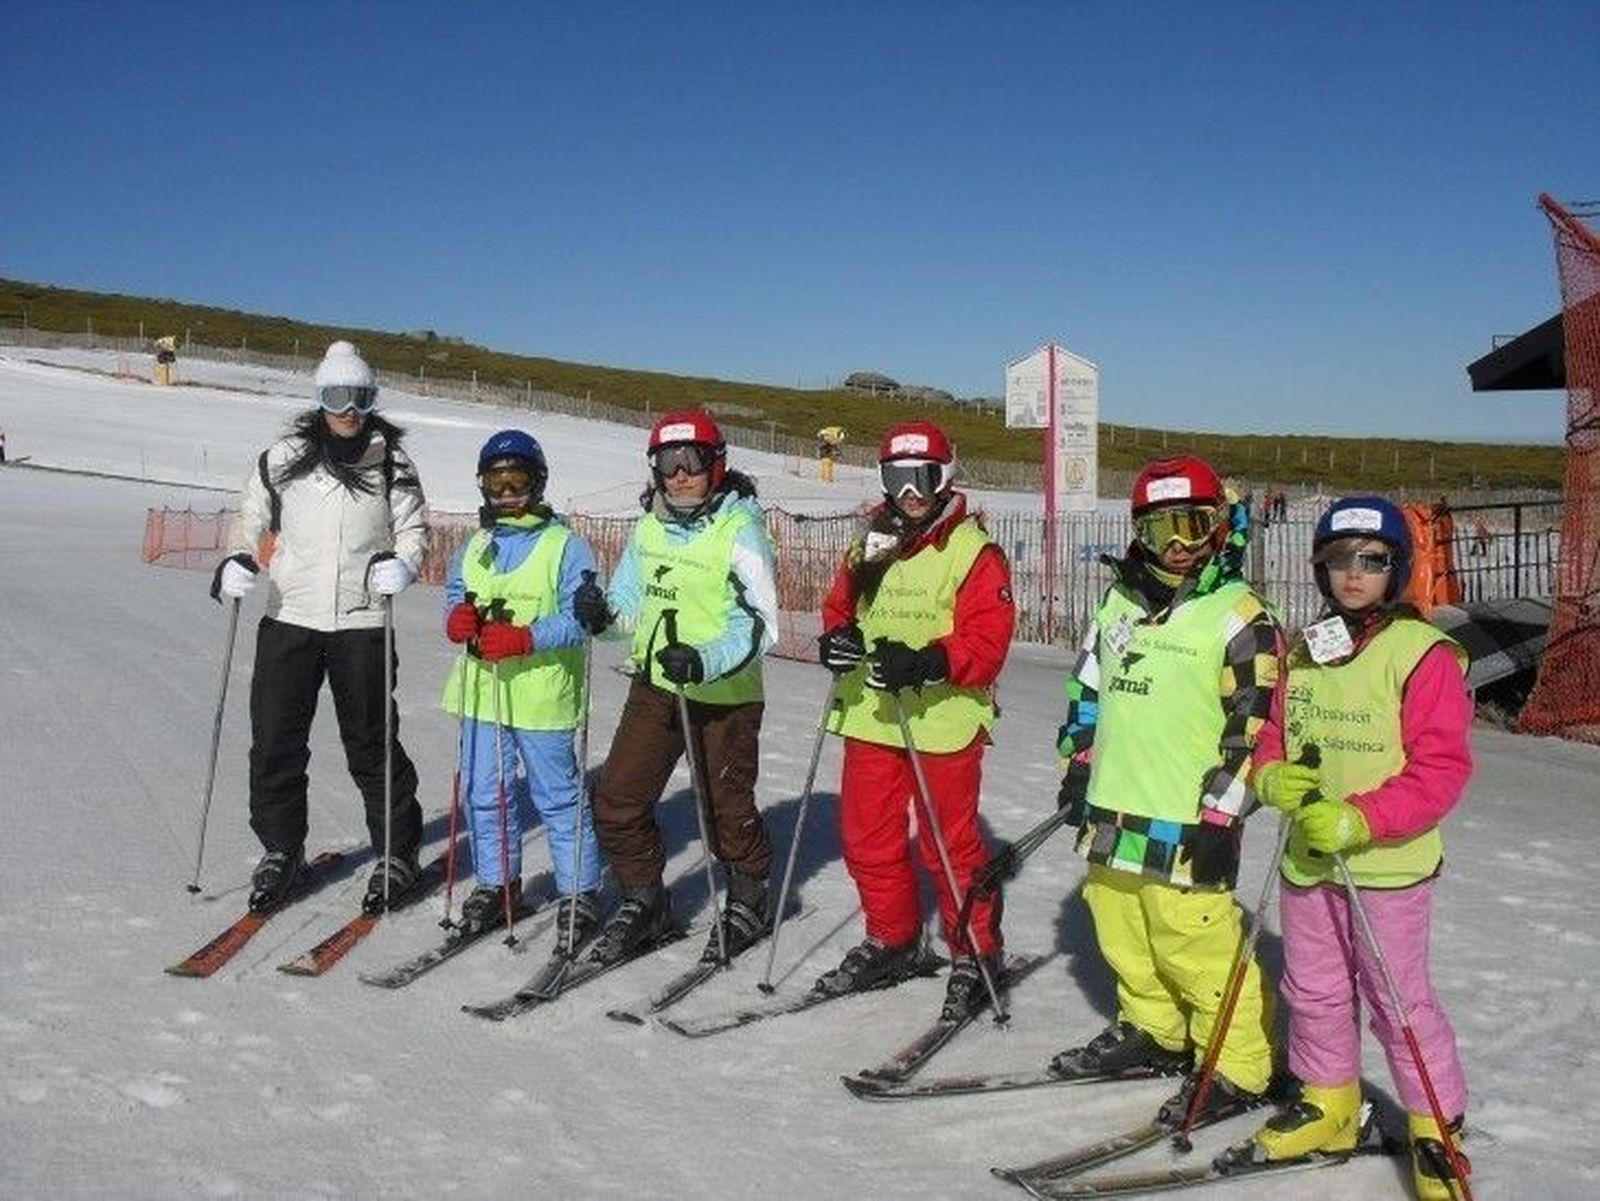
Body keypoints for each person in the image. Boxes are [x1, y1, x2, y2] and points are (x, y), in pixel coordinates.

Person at [1244, 495, 1472, 1201]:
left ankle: (1437, 1127)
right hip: (1309, 859)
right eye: (1339, 560)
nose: (1353, 575)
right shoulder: (1308, 646)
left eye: (1372, 561)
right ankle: (1329, 1097)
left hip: (1385, 865)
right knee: (1311, 987)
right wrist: (1271, 775)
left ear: (1397, 568)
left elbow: (1441, 771)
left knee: (1398, 997)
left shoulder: (1422, 654)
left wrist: (1361, 819)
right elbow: (1277, 735)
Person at [1051, 455, 1280, 1120]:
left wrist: (1225, 815)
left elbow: (1255, 728)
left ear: (1220, 526)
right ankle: (1155, 1027)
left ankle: (1237, 1065)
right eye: (1161, 530)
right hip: (1115, 808)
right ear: (1139, 533)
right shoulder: (1119, 602)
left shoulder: (1239, 615)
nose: (1179, 544)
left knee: (1195, 947)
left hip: (1188, 820)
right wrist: (1079, 766)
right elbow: (1089, 691)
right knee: (1123, 929)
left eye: (1194, 525)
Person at [211, 341, 427, 914]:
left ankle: (397, 852)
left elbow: (412, 532)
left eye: (360, 397)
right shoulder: (282, 458)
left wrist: (403, 563)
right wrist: (238, 557)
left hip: (361, 623)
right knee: (277, 742)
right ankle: (282, 850)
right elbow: (249, 518)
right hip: (291, 618)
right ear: (319, 398)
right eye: (337, 396)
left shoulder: (391, 464)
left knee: (373, 744)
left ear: (372, 399)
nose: (349, 410)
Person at [814, 420, 1016, 1019]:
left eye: (921, 477)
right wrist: (838, 641)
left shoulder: (971, 551)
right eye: (897, 479)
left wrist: (930, 660)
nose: (909, 493)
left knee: (949, 846)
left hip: (943, 721)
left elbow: (989, 638)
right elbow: (838, 608)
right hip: (873, 715)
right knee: (867, 838)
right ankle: (892, 937)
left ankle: (976, 954)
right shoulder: (871, 541)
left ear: (945, 475)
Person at [576, 409, 778, 966]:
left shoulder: (741, 529)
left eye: (692, 461)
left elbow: (759, 623)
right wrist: (601, 616)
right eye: (668, 463)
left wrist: (705, 660)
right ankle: (646, 900)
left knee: (724, 807)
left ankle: (749, 896)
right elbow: (628, 611)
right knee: (618, 799)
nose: (680, 474)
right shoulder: (648, 529)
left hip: (726, 694)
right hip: (657, 685)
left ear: (718, 466)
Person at [439, 430, 604, 949]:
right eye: (497, 482)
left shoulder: (565, 545)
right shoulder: (476, 546)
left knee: (556, 797)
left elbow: (583, 620)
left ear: (539, 483)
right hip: (483, 691)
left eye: (519, 481)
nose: (508, 493)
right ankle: (497, 883)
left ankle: (580, 894)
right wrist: (457, 621)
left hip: (541, 693)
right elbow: (452, 596)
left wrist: (527, 637)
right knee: (484, 795)